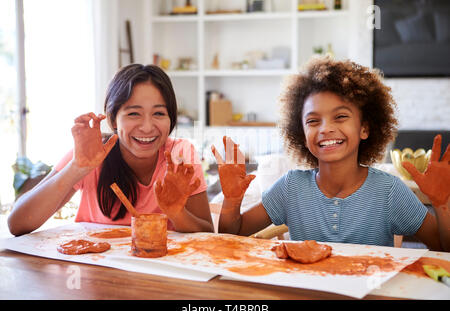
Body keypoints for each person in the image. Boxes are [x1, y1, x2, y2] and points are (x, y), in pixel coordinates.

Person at [212, 56, 450, 252]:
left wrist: (442, 204)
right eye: (313, 121)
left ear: (365, 128)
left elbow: (443, 249)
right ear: (302, 133)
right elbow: (231, 234)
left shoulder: (389, 191)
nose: (325, 128)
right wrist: (232, 201)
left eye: (340, 116)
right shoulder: (290, 187)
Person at [8, 64, 213, 236]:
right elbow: (18, 224)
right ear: (113, 119)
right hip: (97, 275)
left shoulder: (180, 155)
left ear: (171, 118)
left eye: (159, 113)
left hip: (159, 278)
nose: (147, 127)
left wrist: (177, 213)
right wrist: (77, 168)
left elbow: (207, 233)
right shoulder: (91, 153)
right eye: (134, 113)